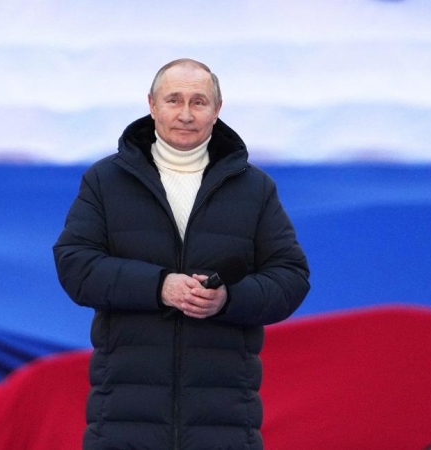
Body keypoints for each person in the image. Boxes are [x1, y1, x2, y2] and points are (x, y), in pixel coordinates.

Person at [53, 58, 310, 450]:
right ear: (152, 105)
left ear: (217, 110)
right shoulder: (105, 181)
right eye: (174, 100)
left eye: (199, 102)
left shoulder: (255, 188)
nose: (186, 114)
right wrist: (159, 287)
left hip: (224, 423)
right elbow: (76, 265)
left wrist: (227, 300)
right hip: (123, 423)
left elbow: (291, 277)